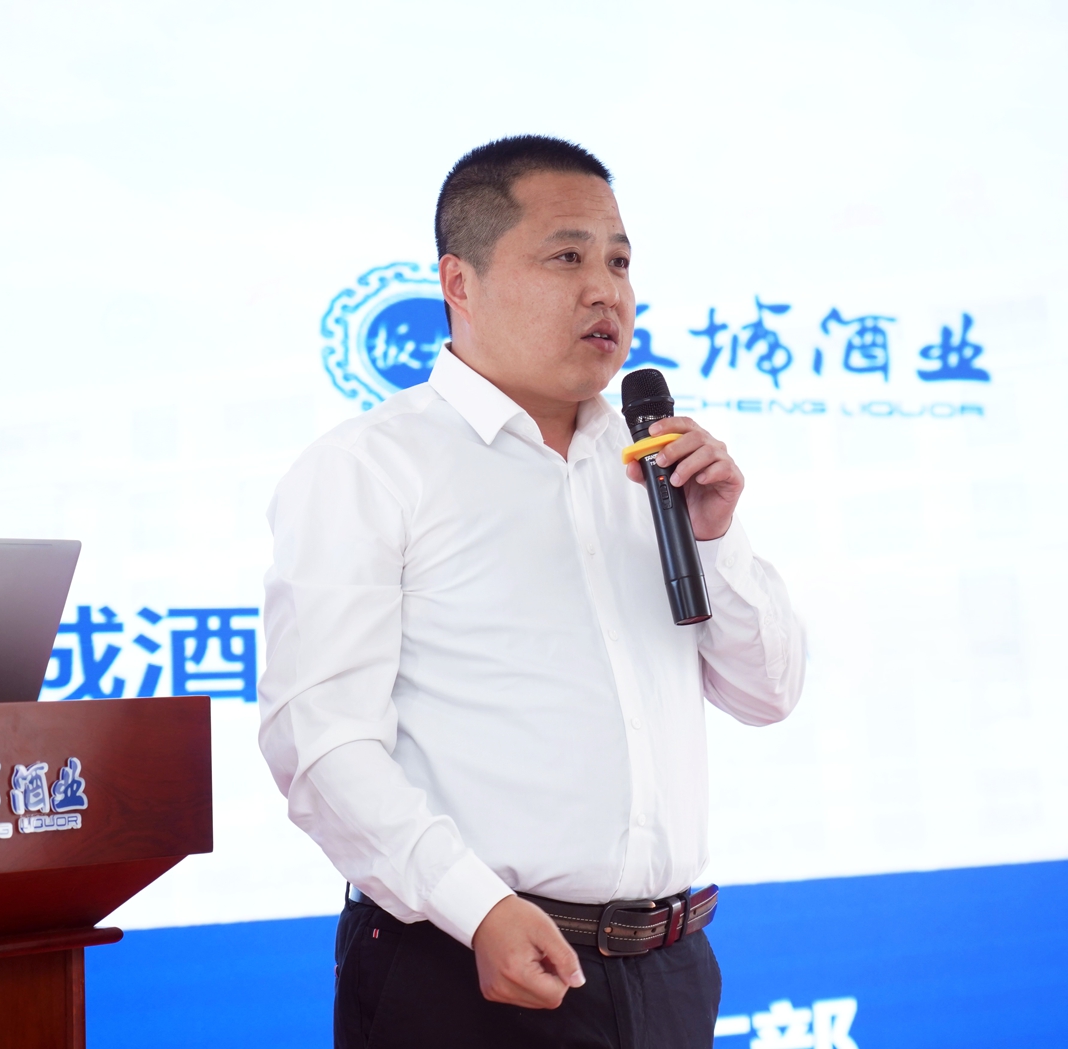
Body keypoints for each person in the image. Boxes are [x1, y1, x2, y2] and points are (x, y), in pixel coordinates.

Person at [258, 134, 805, 1049]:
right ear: (459, 282)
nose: (606, 291)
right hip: (468, 967)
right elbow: (319, 741)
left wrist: (715, 538)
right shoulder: (371, 468)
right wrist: (476, 907)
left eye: (619, 262)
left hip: (669, 971)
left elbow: (768, 691)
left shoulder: (655, 464)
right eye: (566, 258)